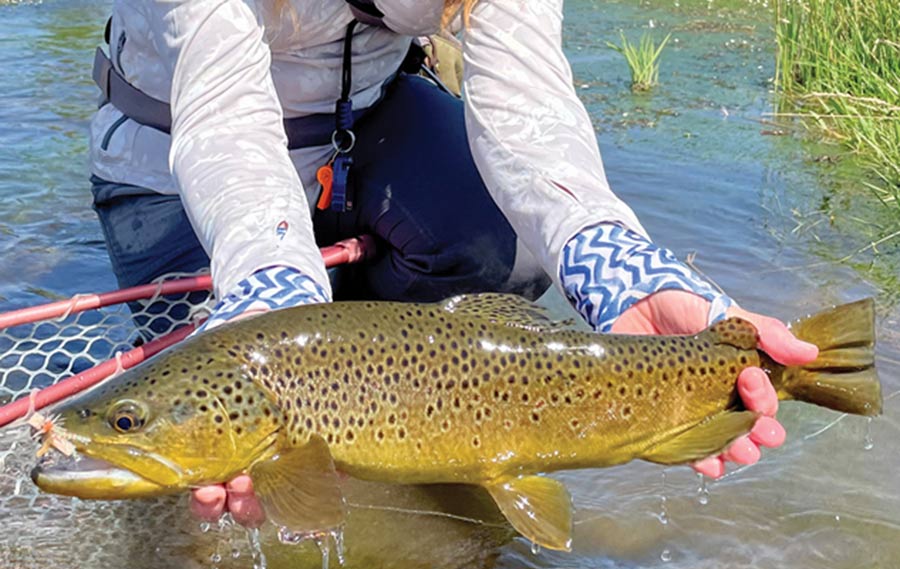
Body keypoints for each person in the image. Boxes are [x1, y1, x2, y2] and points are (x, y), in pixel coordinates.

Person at [87, 0, 818, 528]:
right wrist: (270, 294)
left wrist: (624, 269)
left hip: (367, 127)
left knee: (499, 248)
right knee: (191, 498)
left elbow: (530, 116)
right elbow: (226, 125)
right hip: (176, 161)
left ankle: (428, 427)